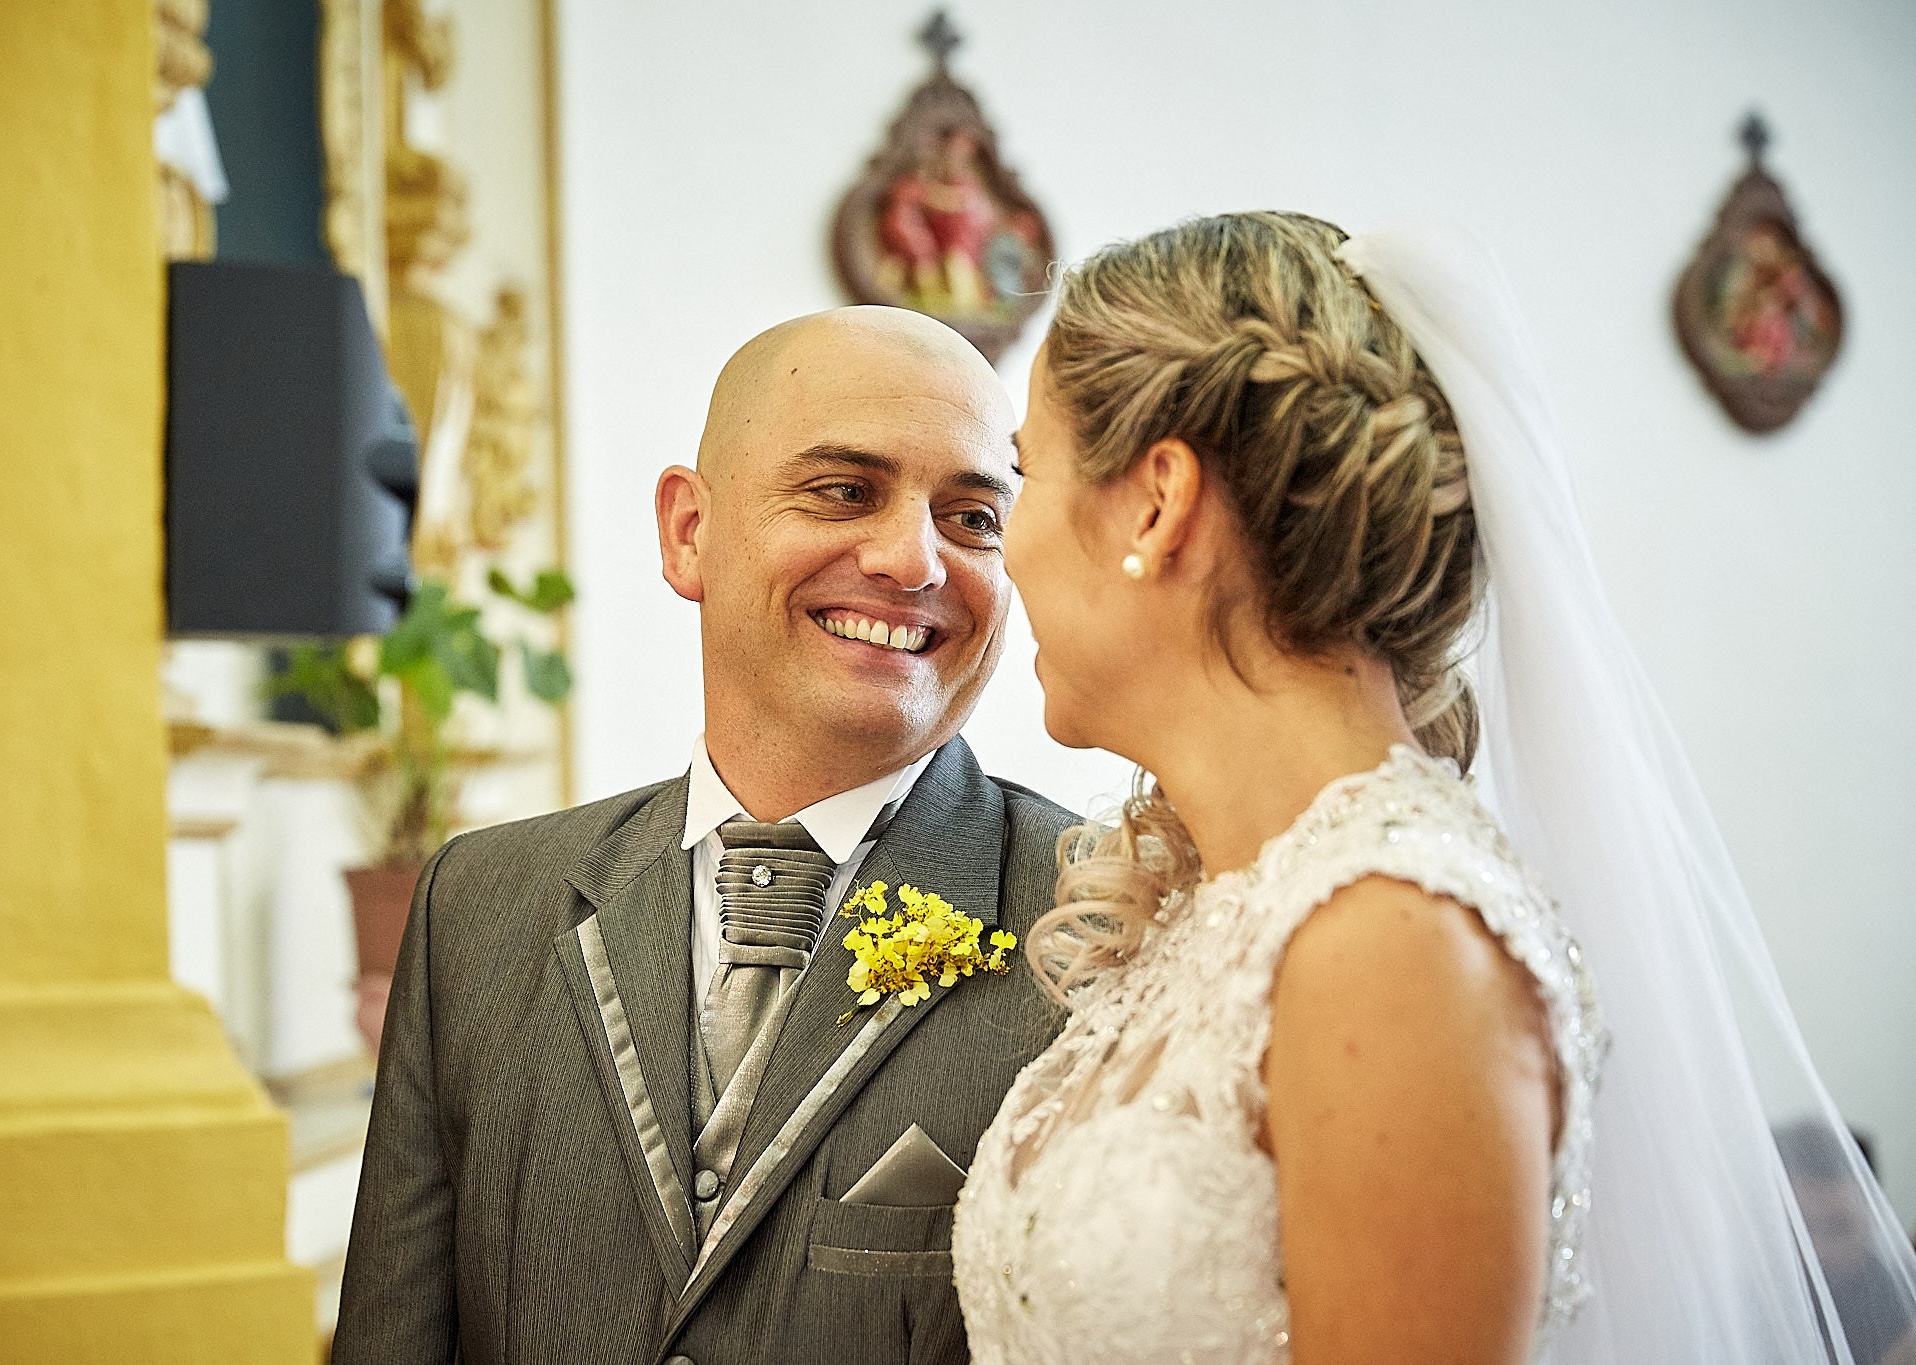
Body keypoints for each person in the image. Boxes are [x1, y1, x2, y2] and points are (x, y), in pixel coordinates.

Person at [951, 212, 1916, 1363]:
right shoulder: (1223, 909)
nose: (1002, 550)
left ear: (1157, 502)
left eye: (1024, 473)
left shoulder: (1394, 941)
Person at [334, 306, 1076, 1365]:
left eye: (971, 518)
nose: (913, 560)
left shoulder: (1099, 922)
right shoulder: (477, 904)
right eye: (843, 491)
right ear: (689, 532)